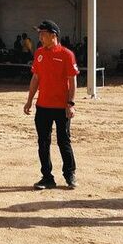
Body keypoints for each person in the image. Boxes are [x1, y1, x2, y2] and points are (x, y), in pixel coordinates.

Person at [24, 20, 79, 190]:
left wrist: (70, 103)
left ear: (53, 35)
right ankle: (47, 177)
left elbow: (72, 80)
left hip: (61, 107)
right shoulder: (39, 53)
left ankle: (69, 174)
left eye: (43, 34)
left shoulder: (66, 54)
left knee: (64, 141)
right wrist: (29, 100)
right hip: (43, 107)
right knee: (43, 142)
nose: (40, 37)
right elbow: (36, 78)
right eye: (39, 33)